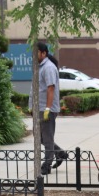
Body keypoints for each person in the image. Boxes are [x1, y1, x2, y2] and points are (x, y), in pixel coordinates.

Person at [29, 41, 65, 175]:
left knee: (47, 138)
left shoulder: (48, 67)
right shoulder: (40, 67)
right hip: (40, 108)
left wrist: (48, 109)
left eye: (36, 53)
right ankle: (60, 153)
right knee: (39, 137)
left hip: (46, 109)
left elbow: (50, 88)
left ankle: (47, 165)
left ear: (43, 53)